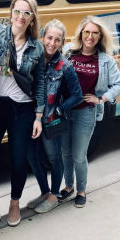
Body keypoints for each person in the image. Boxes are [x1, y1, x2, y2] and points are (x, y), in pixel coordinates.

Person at [0, 0, 45, 227]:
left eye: (27, 13)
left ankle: (14, 203)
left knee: (18, 160)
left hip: (22, 109)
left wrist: (38, 116)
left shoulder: (36, 47)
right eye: (17, 11)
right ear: (11, 12)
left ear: (32, 17)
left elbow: (40, 82)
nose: (21, 16)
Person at [60, 16, 120, 207]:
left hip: (86, 112)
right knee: (65, 152)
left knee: (79, 155)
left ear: (99, 36)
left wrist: (101, 98)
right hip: (65, 110)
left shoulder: (105, 60)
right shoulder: (68, 52)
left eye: (94, 33)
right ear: (81, 33)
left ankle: (81, 190)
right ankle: (68, 186)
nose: (90, 36)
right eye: (87, 32)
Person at [26, 19, 82, 213]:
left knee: (53, 158)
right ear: (43, 37)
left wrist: (59, 109)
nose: (52, 43)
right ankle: (44, 192)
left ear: (62, 42)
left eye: (57, 40)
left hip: (50, 121)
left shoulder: (65, 67)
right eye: (49, 38)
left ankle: (54, 195)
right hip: (30, 117)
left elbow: (77, 95)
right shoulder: (32, 60)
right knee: (32, 157)